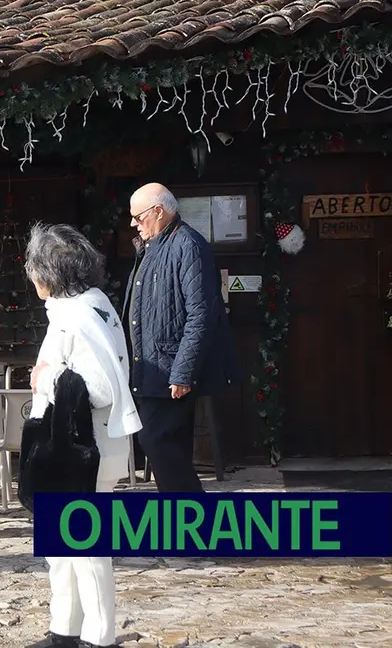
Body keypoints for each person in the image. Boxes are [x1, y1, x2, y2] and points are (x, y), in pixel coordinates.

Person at [25, 223, 143, 648]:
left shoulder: (81, 315)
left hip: (84, 450)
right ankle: (66, 630)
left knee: (87, 551)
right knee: (62, 551)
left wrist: (45, 377)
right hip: (68, 448)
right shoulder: (81, 307)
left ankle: (98, 637)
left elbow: (101, 387)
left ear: (48, 274)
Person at [123, 183, 238, 493]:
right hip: (153, 366)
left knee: (155, 439)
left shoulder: (188, 245)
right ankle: (181, 516)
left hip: (170, 368)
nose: (133, 223)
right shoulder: (153, 246)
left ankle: (191, 513)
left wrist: (183, 373)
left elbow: (201, 314)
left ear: (158, 211)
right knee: (170, 444)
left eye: (138, 217)